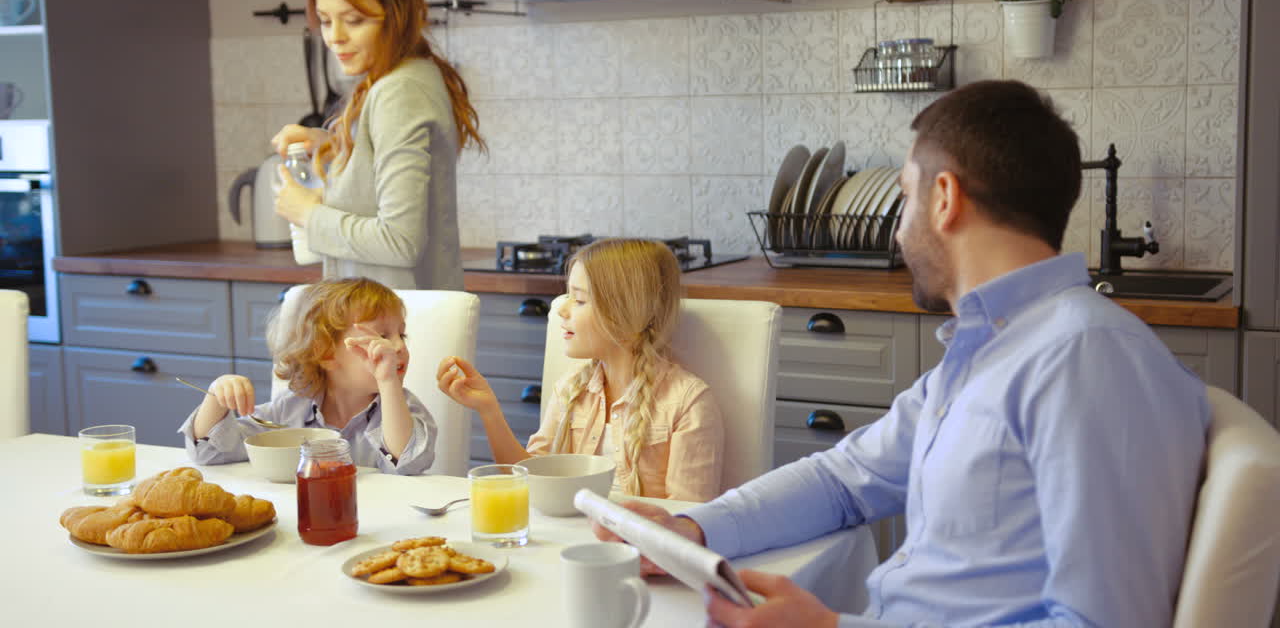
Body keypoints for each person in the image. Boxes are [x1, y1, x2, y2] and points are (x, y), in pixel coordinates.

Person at [593, 80, 1211, 628]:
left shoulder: (1087, 360)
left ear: (944, 198)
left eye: (904, 197)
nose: (897, 230)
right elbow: (845, 481)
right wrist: (694, 530)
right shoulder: (992, 347)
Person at [437, 238, 725, 502]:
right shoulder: (570, 389)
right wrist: (489, 410)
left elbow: (687, 518)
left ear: (625, 312)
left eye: (580, 299)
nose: (562, 309)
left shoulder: (688, 403)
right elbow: (529, 482)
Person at [271, 0, 484, 291]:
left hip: (396, 327)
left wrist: (307, 214)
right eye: (325, 21)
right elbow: (377, 176)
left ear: (396, 15)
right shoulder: (409, 75)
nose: (335, 37)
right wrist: (333, 143)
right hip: (388, 326)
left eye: (354, 20)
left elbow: (400, 241)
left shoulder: (399, 91)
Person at [179, 277, 437, 475]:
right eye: (382, 336)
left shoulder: (403, 407)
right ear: (325, 353)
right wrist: (216, 395)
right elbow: (210, 453)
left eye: (401, 335)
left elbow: (407, 464)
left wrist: (389, 382)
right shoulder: (289, 409)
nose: (399, 346)